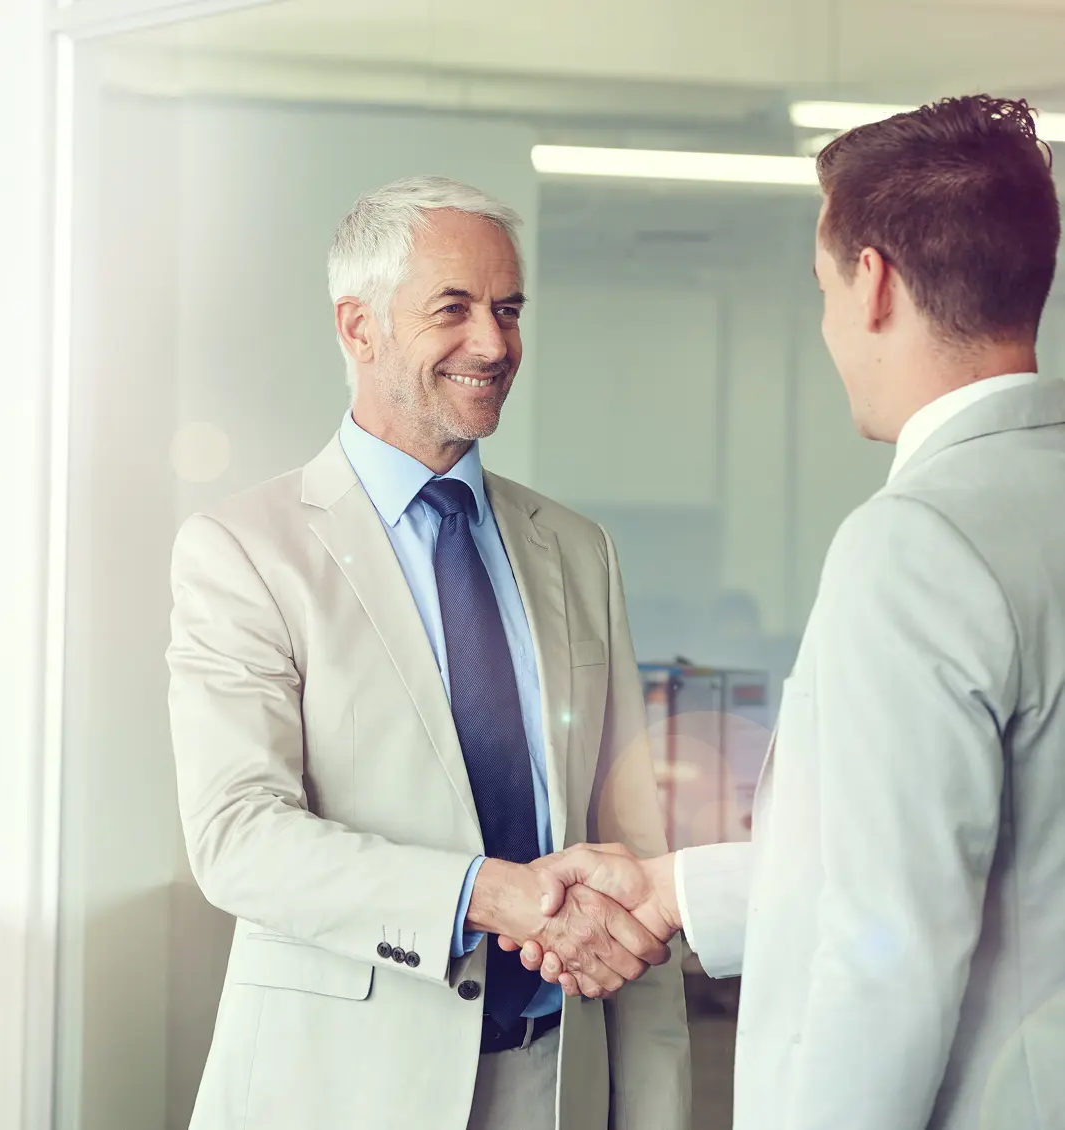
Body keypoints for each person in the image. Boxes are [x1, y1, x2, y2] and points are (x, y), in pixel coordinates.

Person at [514, 95, 1065, 1129]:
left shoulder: (917, 542)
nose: (824, 327)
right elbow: (961, 856)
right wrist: (673, 887)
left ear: (872, 284)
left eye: (819, 288)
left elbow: (885, 945)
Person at [167, 176, 690, 1130]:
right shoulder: (245, 549)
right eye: (452, 309)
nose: (493, 344)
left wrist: (654, 1108)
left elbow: (633, 848)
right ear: (359, 327)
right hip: (341, 1092)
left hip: (553, 1083)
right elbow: (238, 838)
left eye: (508, 309)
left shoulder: (578, 549)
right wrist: (490, 895)